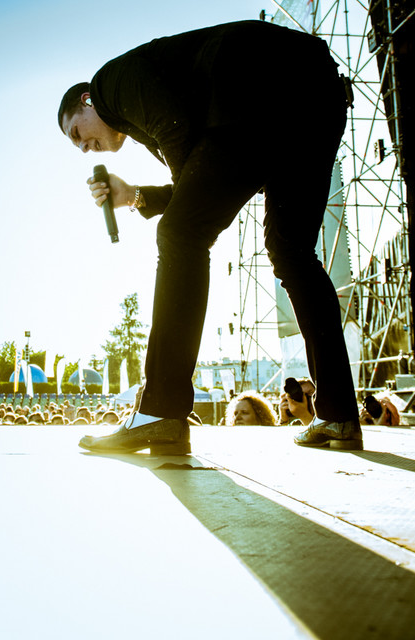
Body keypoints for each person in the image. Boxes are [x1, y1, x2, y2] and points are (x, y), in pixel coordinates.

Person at [61, 20, 361, 454]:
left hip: (256, 91)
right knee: (292, 250)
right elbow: (201, 177)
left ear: (87, 101)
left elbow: (188, 157)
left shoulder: (111, 85)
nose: (86, 149)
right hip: (313, 94)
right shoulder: (143, 109)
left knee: (181, 233)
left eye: (77, 135)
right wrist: (136, 196)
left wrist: (177, 209)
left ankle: (161, 409)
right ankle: (337, 414)